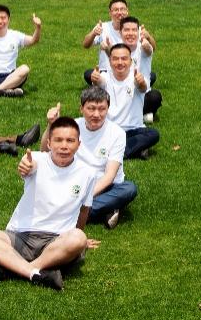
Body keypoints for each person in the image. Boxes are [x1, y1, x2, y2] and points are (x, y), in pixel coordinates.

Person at [0, 117, 101, 291]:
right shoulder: (35, 159)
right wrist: (25, 167)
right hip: (20, 235)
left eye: (70, 140)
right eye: (58, 140)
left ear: (79, 144)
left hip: (55, 241)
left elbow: (84, 210)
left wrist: (80, 241)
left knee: (78, 238)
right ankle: (39, 272)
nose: (64, 146)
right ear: (49, 143)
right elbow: (28, 166)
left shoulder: (88, 173)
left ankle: (14, 268)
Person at [45, 86, 136, 229]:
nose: (96, 114)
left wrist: (83, 197)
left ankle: (72, 213)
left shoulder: (117, 133)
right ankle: (107, 209)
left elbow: (109, 176)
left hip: (107, 186)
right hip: (77, 181)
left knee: (129, 189)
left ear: (108, 109)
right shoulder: (73, 127)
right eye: (91, 108)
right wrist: (51, 125)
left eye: (102, 109)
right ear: (81, 108)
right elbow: (46, 152)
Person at [91, 43, 160, 159]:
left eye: (124, 58)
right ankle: (135, 150)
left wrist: (140, 83)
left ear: (131, 61)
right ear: (110, 61)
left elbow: (142, 87)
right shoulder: (105, 77)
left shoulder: (137, 77)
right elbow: (100, 82)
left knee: (153, 134)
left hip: (134, 129)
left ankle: (116, 152)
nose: (120, 62)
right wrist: (95, 79)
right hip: (111, 129)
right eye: (115, 59)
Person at [117, 15, 162, 122]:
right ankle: (142, 115)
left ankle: (138, 114)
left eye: (134, 30)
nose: (130, 33)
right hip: (122, 95)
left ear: (138, 32)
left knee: (155, 96)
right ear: (120, 33)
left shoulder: (142, 48)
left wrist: (147, 43)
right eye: (126, 30)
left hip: (141, 94)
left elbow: (149, 50)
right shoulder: (117, 50)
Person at [81, 0, 131, 84]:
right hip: (106, 71)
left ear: (127, 11)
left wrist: (148, 37)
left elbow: (152, 47)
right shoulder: (103, 27)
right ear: (110, 13)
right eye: (116, 10)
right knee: (88, 74)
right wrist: (93, 34)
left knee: (151, 76)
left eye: (122, 9)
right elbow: (85, 45)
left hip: (127, 70)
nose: (119, 12)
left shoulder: (133, 29)